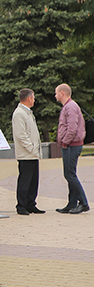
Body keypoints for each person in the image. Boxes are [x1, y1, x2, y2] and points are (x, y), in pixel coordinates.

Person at [54, 83, 90, 214]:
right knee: (70, 174)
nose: (55, 95)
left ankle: (83, 203)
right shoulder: (68, 106)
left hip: (71, 145)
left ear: (62, 93)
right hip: (70, 145)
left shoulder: (70, 106)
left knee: (69, 175)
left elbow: (72, 127)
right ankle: (72, 203)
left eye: (56, 92)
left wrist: (65, 141)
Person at [11, 88, 44, 215]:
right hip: (26, 154)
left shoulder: (28, 113)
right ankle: (21, 205)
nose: (34, 100)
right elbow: (21, 135)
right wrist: (31, 148)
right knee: (25, 180)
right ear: (29, 98)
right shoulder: (19, 113)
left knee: (33, 180)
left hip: (33, 154)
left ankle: (31, 204)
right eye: (33, 98)